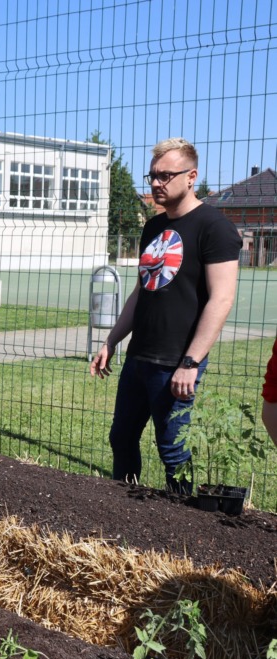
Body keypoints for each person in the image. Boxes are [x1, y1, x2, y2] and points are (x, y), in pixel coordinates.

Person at [89, 137, 241, 493]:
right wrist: (112, 340)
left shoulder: (214, 227)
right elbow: (142, 290)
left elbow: (221, 299)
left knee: (172, 450)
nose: (156, 183)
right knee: (121, 439)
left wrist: (191, 361)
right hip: (140, 355)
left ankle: (182, 525)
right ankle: (125, 509)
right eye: (152, 176)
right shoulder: (153, 227)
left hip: (177, 361)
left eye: (165, 176)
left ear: (191, 176)